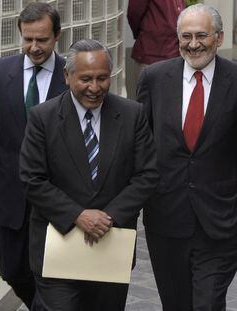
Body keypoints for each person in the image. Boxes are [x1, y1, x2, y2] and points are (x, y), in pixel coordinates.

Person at [137, 4, 237, 310]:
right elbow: (140, 146)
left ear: (218, 38)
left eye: (202, 35)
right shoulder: (153, 78)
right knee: (176, 304)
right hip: (166, 219)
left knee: (207, 303)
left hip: (221, 221)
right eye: (186, 36)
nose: (193, 44)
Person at [19, 39, 158, 310]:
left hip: (110, 246)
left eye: (102, 78)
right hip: (58, 246)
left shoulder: (132, 114)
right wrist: (78, 215)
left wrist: (109, 216)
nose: (94, 88)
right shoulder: (42, 118)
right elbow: (32, 179)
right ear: (67, 76)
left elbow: (147, 175)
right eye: (85, 79)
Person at [0, 2, 66, 308]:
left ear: (57, 35)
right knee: (12, 269)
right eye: (27, 39)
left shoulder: (74, 75)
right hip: (11, 196)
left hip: (59, 198)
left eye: (41, 39)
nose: (33, 47)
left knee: (53, 275)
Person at [126, 0, 185, 99]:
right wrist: (145, 35)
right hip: (152, 53)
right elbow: (134, 13)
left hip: (175, 52)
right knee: (148, 105)